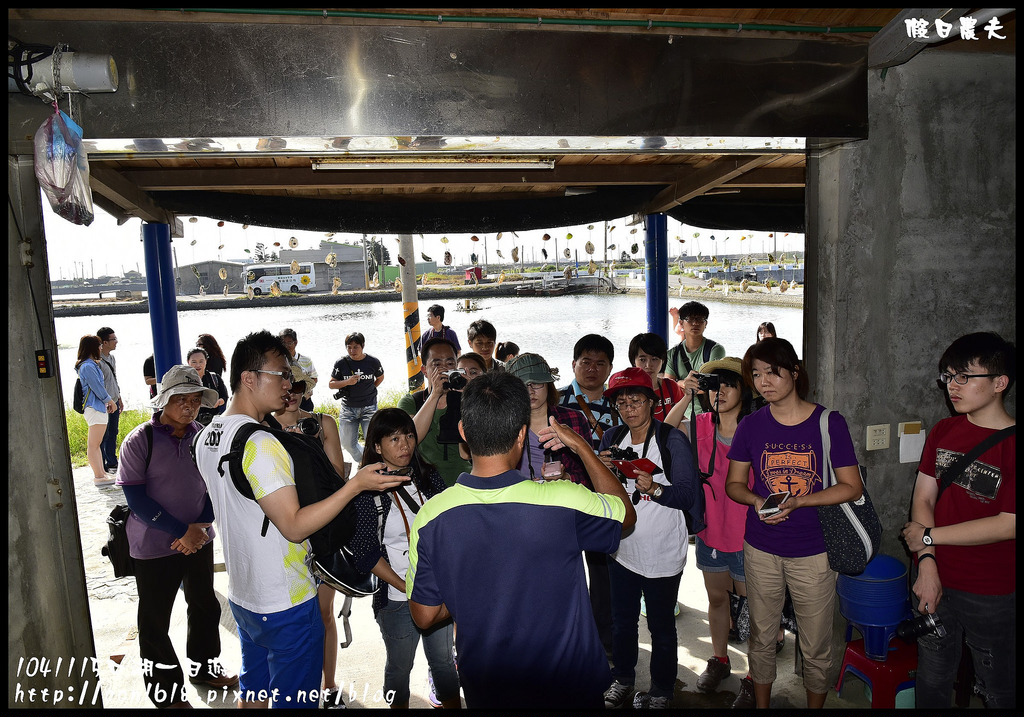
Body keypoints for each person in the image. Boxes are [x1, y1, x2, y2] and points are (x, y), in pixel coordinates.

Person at [193, 330, 406, 708]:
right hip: (284, 598)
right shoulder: (261, 443)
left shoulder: (208, 435)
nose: (288, 383)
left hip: (244, 594)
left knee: (254, 691)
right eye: (281, 374)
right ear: (248, 378)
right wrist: (354, 486)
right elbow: (293, 525)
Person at [406, 372, 637, 709]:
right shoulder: (564, 500)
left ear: (463, 433)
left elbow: (424, 616)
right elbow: (625, 516)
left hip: (488, 684)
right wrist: (582, 447)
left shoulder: (431, 517)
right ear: (521, 435)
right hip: (570, 684)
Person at [725, 337, 863, 709]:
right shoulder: (751, 426)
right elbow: (734, 485)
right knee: (761, 635)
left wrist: (800, 501)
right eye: (756, 374)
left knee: (815, 643)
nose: (763, 381)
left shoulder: (829, 423)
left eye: (773, 372)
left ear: (795, 372)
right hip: (761, 549)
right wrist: (758, 501)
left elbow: (852, 487)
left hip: (814, 553)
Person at [900, 332, 1015, 709]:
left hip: (992, 590)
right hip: (937, 577)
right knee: (932, 677)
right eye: (948, 376)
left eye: (965, 376)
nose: (953, 385)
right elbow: (923, 497)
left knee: (997, 685)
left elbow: (1008, 523)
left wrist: (929, 537)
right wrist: (927, 566)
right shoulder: (944, 431)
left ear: (1000, 383)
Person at [116, 365, 238, 708]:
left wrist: (198, 528)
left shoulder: (205, 436)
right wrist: (180, 531)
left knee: (204, 606)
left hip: (199, 539)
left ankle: (204, 668)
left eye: (195, 399)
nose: (189, 406)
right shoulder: (139, 440)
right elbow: (136, 498)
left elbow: (217, 488)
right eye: (180, 399)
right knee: (154, 621)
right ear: (164, 401)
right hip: (155, 547)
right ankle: (167, 694)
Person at [598, 368, 701, 709]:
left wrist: (655, 488)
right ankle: (623, 678)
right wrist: (602, 467)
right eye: (622, 402)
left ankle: (662, 689)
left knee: (661, 627)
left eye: (637, 400)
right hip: (622, 549)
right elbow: (600, 493)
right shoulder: (612, 438)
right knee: (623, 621)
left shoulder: (671, 441)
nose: (629, 408)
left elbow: (687, 495)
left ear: (653, 403)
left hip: (662, 551)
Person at [349, 409, 461, 709]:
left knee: (444, 663)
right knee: (399, 668)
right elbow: (366, 553)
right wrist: (404, 585)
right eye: (394, 438)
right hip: (396, 597)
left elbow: (451, 527)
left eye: (409, 435)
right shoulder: (366, 490)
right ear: (376, 446)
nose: (405, 445)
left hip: (436, 592)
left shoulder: (429, 476)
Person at [678, 358, 757, 707]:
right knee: (717, 600)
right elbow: (662, 433)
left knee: (753, 610)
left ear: (745, 389)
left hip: (747, 536)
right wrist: (685, 395)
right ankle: (721, 659)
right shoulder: (699, 424)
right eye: (713, 386)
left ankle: (757, 675)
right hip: (711, 533)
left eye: (728, 384)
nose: (719, 392)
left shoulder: (756, 428)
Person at [270, 362, 349, 709]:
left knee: (323, 611)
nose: (293, 394)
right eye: (288, 387)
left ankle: (328, 686)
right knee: (292, 616)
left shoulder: (323, 424)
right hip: (283, 532)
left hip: (323, 528)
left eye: (299, 388)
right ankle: (300, 686)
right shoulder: (261, 429)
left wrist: (310, 443)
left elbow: (336, 478)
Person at [506, 353, 593, 486]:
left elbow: (592, 472)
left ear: (548, 384)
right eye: (523, 385)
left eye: (536, 383)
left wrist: (565, 478)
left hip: (564, 500)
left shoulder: (575, 419)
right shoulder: (505, 424)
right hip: (517, 500)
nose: (530, 391)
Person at [398, 338, 471, 487]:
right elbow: (410, 440)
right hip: (426, 485)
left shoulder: (467, 398)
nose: (444, 369)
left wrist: (471, 395)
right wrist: (435, 395)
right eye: (437, 364)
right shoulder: (411, 403)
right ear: (424, 370)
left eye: (450, 364)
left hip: (466, 483)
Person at [329, 332, 385, 463]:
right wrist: (347, 382)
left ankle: (370, 465)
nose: (352, 350)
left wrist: (371, 389)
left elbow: (380, 378)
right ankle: (364, 462)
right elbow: (331, 384)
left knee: (372, 441)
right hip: (348, 408)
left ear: (363, 346)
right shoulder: (341, 363)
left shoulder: (373, 362)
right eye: (349, 347)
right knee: (347, 444)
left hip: (369, 406)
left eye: (355, 347)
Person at [665, 301, 727, 417]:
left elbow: (709, 386)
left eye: (700, 319)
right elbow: (668, 387)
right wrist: (684, 383)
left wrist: (679, 383)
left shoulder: (714, 350)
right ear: (681, 323)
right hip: (682, 416)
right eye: (690, 319)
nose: (695, 323)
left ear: (706, 323)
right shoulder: (672, 354)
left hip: (709, 415)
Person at [558, 333, 619, 446]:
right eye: (586, 362)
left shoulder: (619, 404)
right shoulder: (556, 399)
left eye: (600, 364)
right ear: (574, 365)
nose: (592, 369)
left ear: (610, 368)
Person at [75, 335, 119, 486]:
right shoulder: (87, 366)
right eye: (99, 345)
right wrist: (110, 400)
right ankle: (99, 476)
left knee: (97, 443)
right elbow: (97, 387)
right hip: (94, 407)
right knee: (94, 444)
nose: (101, 348)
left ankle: (102, 473)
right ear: (92, 347)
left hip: (97, 407)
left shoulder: (90, 365)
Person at [628, 332, 685, 423]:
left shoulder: (671, 387)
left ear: (662, 360)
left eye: (654, 359)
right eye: (642, 360)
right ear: (633, 361)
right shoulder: (627, 391)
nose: (648, 365)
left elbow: (682, 418)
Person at [97, 326, 123, 473]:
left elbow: (114, 379)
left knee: (113, 431)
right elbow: (99, 384)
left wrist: (119, 398)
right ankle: (102, 464)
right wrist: (107, 401)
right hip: (104, 403)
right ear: (104, 342)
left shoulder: (111, 358)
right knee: (103, 434)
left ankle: (112, 462)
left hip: (114, 399)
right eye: (113, 339)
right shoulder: (97, 360)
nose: (116, 342)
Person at [279, 328, 319, 412]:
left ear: (295, 342)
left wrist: (305, 391)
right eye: (283, 343)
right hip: (285, 399)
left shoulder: (306, 360)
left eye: (289, 343)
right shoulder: (277, 361)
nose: (286, 346)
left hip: (304, 399)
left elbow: (314, 379)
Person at [187, 347, 228, 426]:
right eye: (194, 362)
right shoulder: (184, 380)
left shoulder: (214, 378)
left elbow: (224, 396)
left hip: (213, 423)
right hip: (191, 424)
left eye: (201, 361)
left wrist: (218, 401)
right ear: (188, 362)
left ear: (206, 361)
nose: (198, 365)